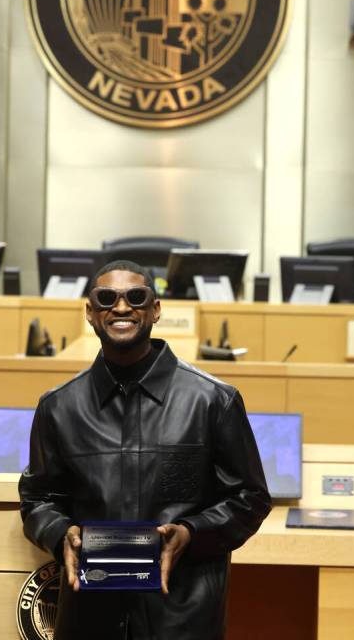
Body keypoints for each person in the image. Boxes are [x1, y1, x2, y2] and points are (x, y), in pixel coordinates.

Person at [19, 260, 271, 640]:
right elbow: (37, 498)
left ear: (155, 309)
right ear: (90, 312)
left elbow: (250, 497)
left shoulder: (213, 401)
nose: (121, 308)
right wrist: (60, 533)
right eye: (107, 298)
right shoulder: (59, 406)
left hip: (183, 616)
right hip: (90, 616)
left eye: (136, 297)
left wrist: (191, 532)